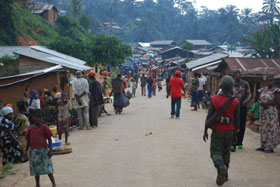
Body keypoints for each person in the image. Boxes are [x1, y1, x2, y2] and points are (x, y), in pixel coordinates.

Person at [203, 75, 240, 186]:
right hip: (230, 130)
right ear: (231, 87)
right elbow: (237, 120)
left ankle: (220, 167)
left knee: (215, 152)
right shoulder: (235, 101)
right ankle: (226, 174)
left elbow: (209, 116)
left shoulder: (214, 99)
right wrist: (236, 133)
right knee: (226, 152)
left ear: (221, 85)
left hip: (218, 129)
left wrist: (205, 130)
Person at [25, 109, 56, 187]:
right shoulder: (30, 128)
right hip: (34, 152)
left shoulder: (44, 127)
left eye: (40, 117)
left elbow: (49, 139)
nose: (38, 119)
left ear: (42, 118)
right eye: (36, 117)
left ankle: (53, 183)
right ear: (33, 117)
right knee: (36, 170)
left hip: (44, 151)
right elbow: (28, 140)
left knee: (48, 168)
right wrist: (26, 151)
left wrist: (51, 150)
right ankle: (37, 184)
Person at [257, 75, 280, 153]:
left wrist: (268, 103)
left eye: (271, 81)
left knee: (271, 129)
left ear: (273, 82)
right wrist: (262, 104)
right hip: (263, 113)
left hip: (271, 113)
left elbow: (277, 102)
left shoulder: (276, 90)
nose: (270, 82)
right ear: (266, 82)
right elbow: (259, 99)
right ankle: (262, 146)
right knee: (263, 129)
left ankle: (269, 147)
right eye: (268, 81)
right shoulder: (262, 90)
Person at [231, 70, 251, 151]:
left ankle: (240, 143)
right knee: (233, 124)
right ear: (234, 75)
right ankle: (232, 143)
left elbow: (249, 94)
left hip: (242, 107)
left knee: (242, 124)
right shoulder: (231, 83)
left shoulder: (245, 83)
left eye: (239, 74)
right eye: (236, 74)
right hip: (232, 107)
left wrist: (246, 101)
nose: (238, 75)